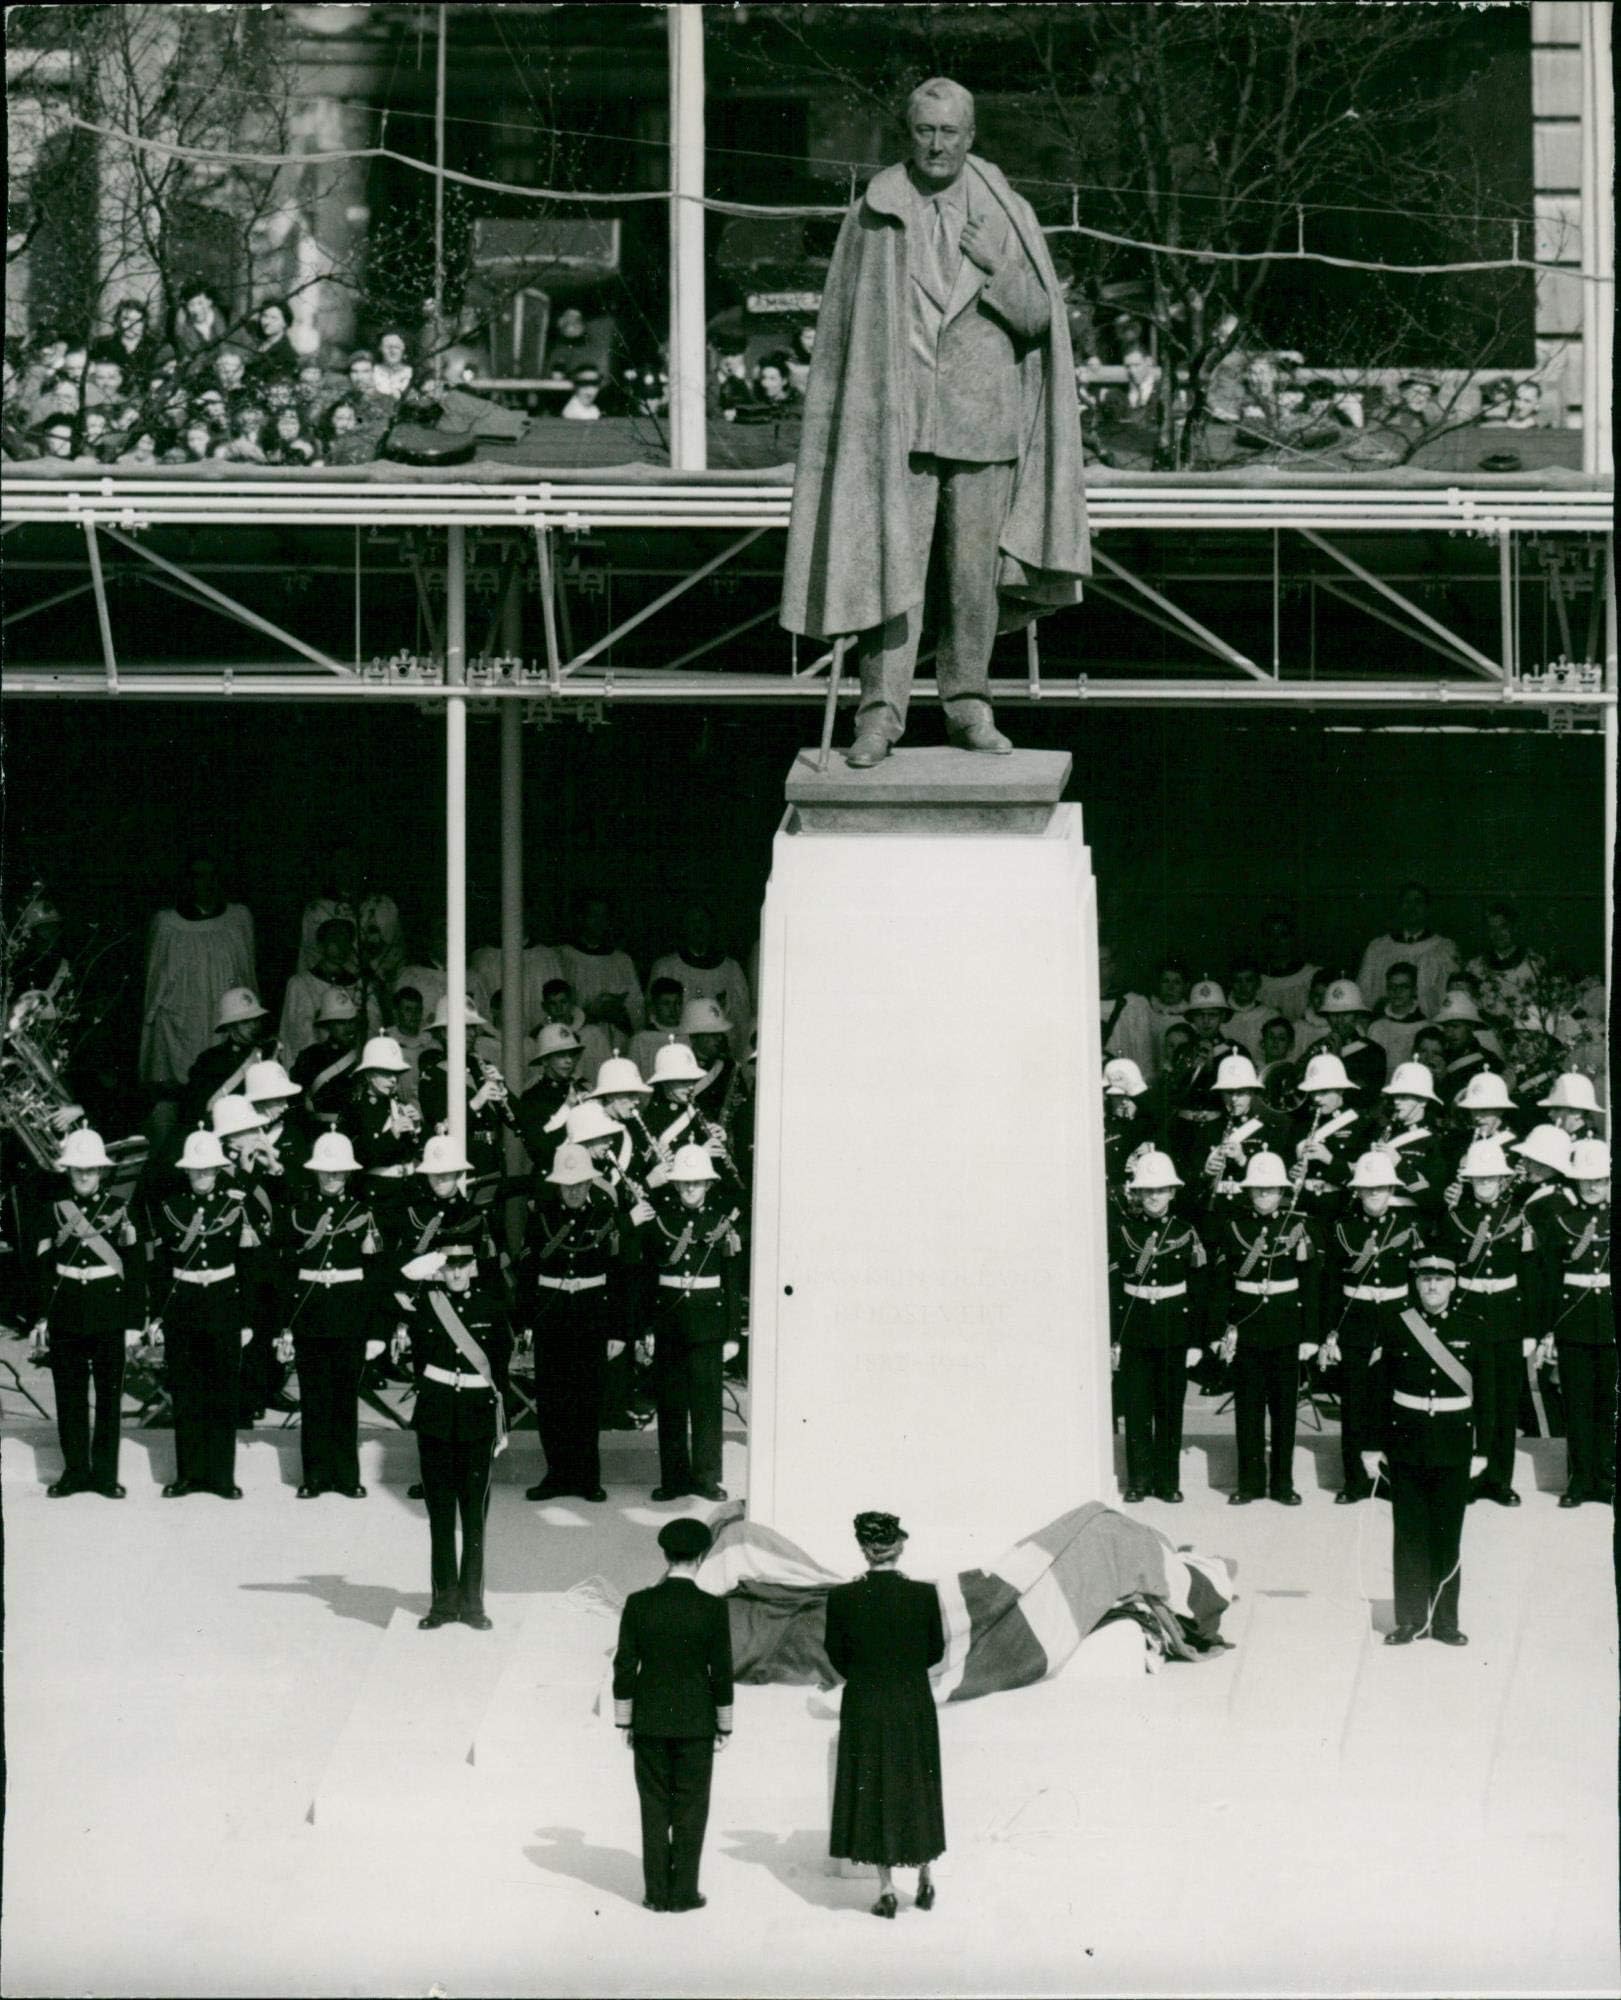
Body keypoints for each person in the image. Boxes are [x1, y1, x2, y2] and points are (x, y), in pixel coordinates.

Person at [781, 75, 1087, 766]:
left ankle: (969, 706)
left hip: (983, 423)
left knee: (972, 575)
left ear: (970, 136)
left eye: (950, 132)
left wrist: (997, 266)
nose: (937, 144)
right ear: (907, 133)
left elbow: (1041, 320)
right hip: (896, 425)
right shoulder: (875, 212)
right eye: (925, 130)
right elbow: (842, 336)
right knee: (887, 567)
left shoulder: (1005, 213)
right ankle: (879, 716)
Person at [825, 1511, 946, 1917]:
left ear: (864, 1549)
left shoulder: (842, 1598)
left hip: (865, 1704)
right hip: (913, 1702)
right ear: (900, 1547)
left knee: (875, 1787)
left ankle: (888, 1889)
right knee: (918, 1783)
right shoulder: (924, 1595)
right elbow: (935, 1652)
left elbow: (836, 1656)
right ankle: (926, 1878)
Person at [613, 1515, 734, 1914]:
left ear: (664, 1554)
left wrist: (625, 1719)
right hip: (697, 1722)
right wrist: (724, 1724)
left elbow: (625, 1667)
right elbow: (722, 1671)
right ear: (700, 1556)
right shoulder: (713, 1608)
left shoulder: (638, 1603)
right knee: (692, 1806)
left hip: (649, 1720)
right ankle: (683, 1892)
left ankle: (655, 1894)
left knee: (653, 1806)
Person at [1372, 1254, 1491, 1646]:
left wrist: (1483, 1450)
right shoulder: (1395, 1325)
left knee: (1447, 1535)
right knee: (1408, 1535)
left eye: (1440, 1279)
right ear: (1417, 1284)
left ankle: (1444, 1622)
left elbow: (1491, 1397)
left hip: (1455, 1444)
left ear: (1453, 1284)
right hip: (1406, 1443)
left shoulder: (1473, 1327)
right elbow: (1375, 1390)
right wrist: (1372, 1446)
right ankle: (1409, 1621)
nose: (1432, 1286)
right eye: (1425, 1279)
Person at [397, 1242, 510, 1630]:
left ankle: (473, 1604)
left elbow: (502, 1366)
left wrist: (500, 1422)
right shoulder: (426, 1304)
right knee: (441, 1517)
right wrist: (425, 1265)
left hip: (477, 1417)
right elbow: (389, 1288)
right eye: (450, 1267)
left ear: (474, 1267)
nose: (457, 1274)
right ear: (439, 1269)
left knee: (474, 1518)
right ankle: (443, 1604)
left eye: (463, 1266)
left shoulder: (492, 1306)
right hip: (436, 1418)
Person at [30, 1128, 146, 1498]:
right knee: (70, 1397)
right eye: (78, 1169)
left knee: (109, 1400)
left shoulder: (120, 1211)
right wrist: (41, 1317)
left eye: (91, 1169)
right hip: (66, 1315)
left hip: (109, 1316)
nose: (84, 1176)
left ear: (101, 1171)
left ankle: (105, 1475)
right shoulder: (51, 1211)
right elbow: (41, 1270)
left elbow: (135, 1272)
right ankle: (75, 1472)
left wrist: (134, 1323)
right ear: (68, 1171)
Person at [1433, 1138, 1546, 1508]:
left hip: (1508, 1320)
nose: (1484, 1185)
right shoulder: (1453, 1219)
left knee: (1504, 1404)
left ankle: (1500, 1480)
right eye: (1478, 1179)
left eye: (1490, 1179)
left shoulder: (1518, 1218)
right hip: (1466, 1319)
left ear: (1502, 1181)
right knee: (1467, 1401)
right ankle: (1467, 1477)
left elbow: (1530, 1279)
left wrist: (1531, 1330)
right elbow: (1444, 1274)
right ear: (1469, 1181)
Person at [1210, 1151, 1322, 1505]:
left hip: (1287, 1331)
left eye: (1271, 1189)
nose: (1264, 1196)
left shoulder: (1298, 1227)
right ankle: (1250, 1483)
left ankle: (1283, 1484)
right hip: (1247, 1329)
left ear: (1282, 1191)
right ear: (1248, 1192)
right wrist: (1219, 1331)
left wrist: (1310, 1336)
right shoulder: (1233, 1226)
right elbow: (1221, 1285)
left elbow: (1311, 1285)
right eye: (1258, 1190)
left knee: (1285, 1412)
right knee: (1248, 1410)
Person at [280, 1131, 384, 1499]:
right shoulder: (297, 1213)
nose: (331, 1178)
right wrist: (286, 1327)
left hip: (349, 1319)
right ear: (315, 1174)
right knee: (313, 1399)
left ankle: (346, 1476)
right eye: (326, 1172)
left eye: (338, 1172)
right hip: (310, 1319)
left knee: (344, 1400)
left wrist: (375, 1331)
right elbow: (286, 1275)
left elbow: (374, 1279)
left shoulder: (363, 1214)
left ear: (348, 1175)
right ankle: (315, 1476)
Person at [638, 1144, 742, 1502]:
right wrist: (647, 1328)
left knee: (707, 1406)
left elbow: (731, 1283)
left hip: (707, 1329)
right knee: (670, 1406)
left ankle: (707, 1479)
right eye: (684, 1184)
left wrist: (732, 1334)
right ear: (675, 1185)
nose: (690, 1190)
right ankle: (674, 1479)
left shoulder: (721, 1223)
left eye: (696, 1183)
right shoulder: (661, 1220)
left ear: (708, 1184)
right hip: (669, 1325)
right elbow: (648, 1279)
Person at [1320, 1153, 1426, 1503]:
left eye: (1380, 1189)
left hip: (1398, 1320)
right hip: (1357, 1322)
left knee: (1397, 1404)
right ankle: (1354, 1481)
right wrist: (1329, 1332)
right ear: (1358, 1192)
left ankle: (1394, 1479)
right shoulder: (1343, 1228)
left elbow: (1417, 1279)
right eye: (1367, 1190)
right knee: (1354, 1405)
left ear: (1392, 1188)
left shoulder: (1409, 1226)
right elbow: (1331, 1283)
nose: (1374, 1195)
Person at [523, 1141, 623, 1503]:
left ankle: (587, 1477)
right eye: (568, 1184)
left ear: (590, 1182)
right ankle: (556, 1475)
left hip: (591, 1316)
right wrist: (526, 1323)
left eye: (581, 1183)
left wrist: (616, 1330)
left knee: (586, 1398)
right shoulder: (541, 1216)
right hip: (551, 1316)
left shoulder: (605, 1217)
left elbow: (618, 1276)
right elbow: (528, 1271)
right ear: (557, 1185)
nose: (576, 1190)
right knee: (552, 1400)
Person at [1108, 1150, 1209, 1502]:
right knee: (1135, 1409)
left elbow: (1198, 1292)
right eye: (1147, 1190)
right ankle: (1138, 1481)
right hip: (1135, 1333)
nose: (1153, 1196)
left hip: (1173, 1333)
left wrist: (1197, 1341)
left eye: (1161, 1189)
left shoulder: (1185, 1232)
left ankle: (1167, 1482)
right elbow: (1113, 1289)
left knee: (1168, 1410)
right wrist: (1113, 1338)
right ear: (1137, 1193)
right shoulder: (1124, 1232)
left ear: (1172, 1192)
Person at [138, 857, 258, 1103]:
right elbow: (154, 978)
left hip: (226, 1016)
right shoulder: (168, 923)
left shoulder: (237, 918)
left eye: (212, 876)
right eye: (199, 876)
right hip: (182, 1020)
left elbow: (248, 972)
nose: (207, 883)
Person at [1541, 1139, 1613, 1507]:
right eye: (1586, 1180)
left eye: (1599, 1180)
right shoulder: (1562, 1224)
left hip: (1611, 1327)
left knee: (1608, 1404)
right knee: (1579, 1406)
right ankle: (1580, 1480)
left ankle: (1606, 1478)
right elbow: (1551, 1281)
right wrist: (1549, 1329)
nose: (1593, 1186)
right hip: (1575, 1325)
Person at [650, 907, 752, 1061]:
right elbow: (654, 1016)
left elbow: (742, 1018)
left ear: (711, 927)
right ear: (684, 927)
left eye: (703, 922)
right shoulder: (666, 967)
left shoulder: (731, 968)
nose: (698, 927)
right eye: (693, 922)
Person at [179, 985, 279, 1134]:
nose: (253, 1026)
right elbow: (196, 1111)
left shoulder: (268, 1054)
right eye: (245, 1022)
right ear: (230, 1026)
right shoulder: (209, 1060)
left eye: (255, 1020)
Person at [1357, 883, 1459, 1022]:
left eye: (1418, 902)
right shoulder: (1378, 948)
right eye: (1407, 902)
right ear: (1399, 907)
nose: (1412, 908)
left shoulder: (1443, 948)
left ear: (1427, 908)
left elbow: (1451, 995)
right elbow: (1364, 992)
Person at [1368, 1060, 1449, 1221]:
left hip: (1408, 1220)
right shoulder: (1382, 1134)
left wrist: (1400, 1165)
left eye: (1404, 1096)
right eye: (1396, 1096)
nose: (1397, 1101)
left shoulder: (1435, 1141)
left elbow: (1435, 1202)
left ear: (1423, 1101)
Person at [279, 916, 364, 1060]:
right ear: (321, 945)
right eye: (334, 940)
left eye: (346, 940)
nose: (341, 946)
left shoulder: (359, 984)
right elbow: (296, 1035)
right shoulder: (300, 984)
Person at [560, 895, 646, 1037]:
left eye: (604, 916)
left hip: (617, 1040)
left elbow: (637, 1007)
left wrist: (621, 1013)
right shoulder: (564, 956)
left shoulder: (622, 961)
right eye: (594, 915)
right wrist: (589, 1013)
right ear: (581, 918)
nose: (599, 922)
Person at [1466, 903, 1546, 1041]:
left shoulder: (1535, 963)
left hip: (1526, 1036)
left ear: (1514, 928)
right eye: (1492, 929)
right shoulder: (1475, 967)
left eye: (1503, 927)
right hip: (1487, 1037)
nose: (1498, 934)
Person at [291, 987, 364, 1134]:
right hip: (324, 1135)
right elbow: (296, 1107)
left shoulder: (365, 1054)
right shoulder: (310, 1057)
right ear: (328, 1025)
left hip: (362, 1136)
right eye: (341, 1023)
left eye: (352, 1021)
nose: (349, 1028)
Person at [1097, 943, 1158, 1083]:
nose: (1097, 968)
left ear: (1113, 966)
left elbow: (1145, 1058)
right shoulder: (1075, 1003)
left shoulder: (1135, 1004)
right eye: (1093, 962)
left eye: (1103, 962)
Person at [1316, 979, 1387, 1096]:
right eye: (1334, 1014)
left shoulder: (1374, 1052)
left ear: (1357, 1016)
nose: (1339, 1020)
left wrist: (1336, 1061)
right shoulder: (1318, 1047)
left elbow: (1365, 1097)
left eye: (1346, 1014)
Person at [1368, 960, 1428, 1073]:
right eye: (1392, 986)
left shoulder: (1425, 1027)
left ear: (1414, 990)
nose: (1397, 991)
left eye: (1404, 986)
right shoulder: (1376, 1028)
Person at [629, 976, 686, 1078]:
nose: (673, 1010)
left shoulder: (688, 1036)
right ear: (654, 1006)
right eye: (666, 1004)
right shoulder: (641, 1040)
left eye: (677, 1003)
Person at [1223, 961, 1273, 1063]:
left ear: (1258, 983)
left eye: (1248, 980)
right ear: (1230, 983)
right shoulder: (1221, 1015)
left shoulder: (1270, 1016)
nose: (1243, 987)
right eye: (1238, 981)